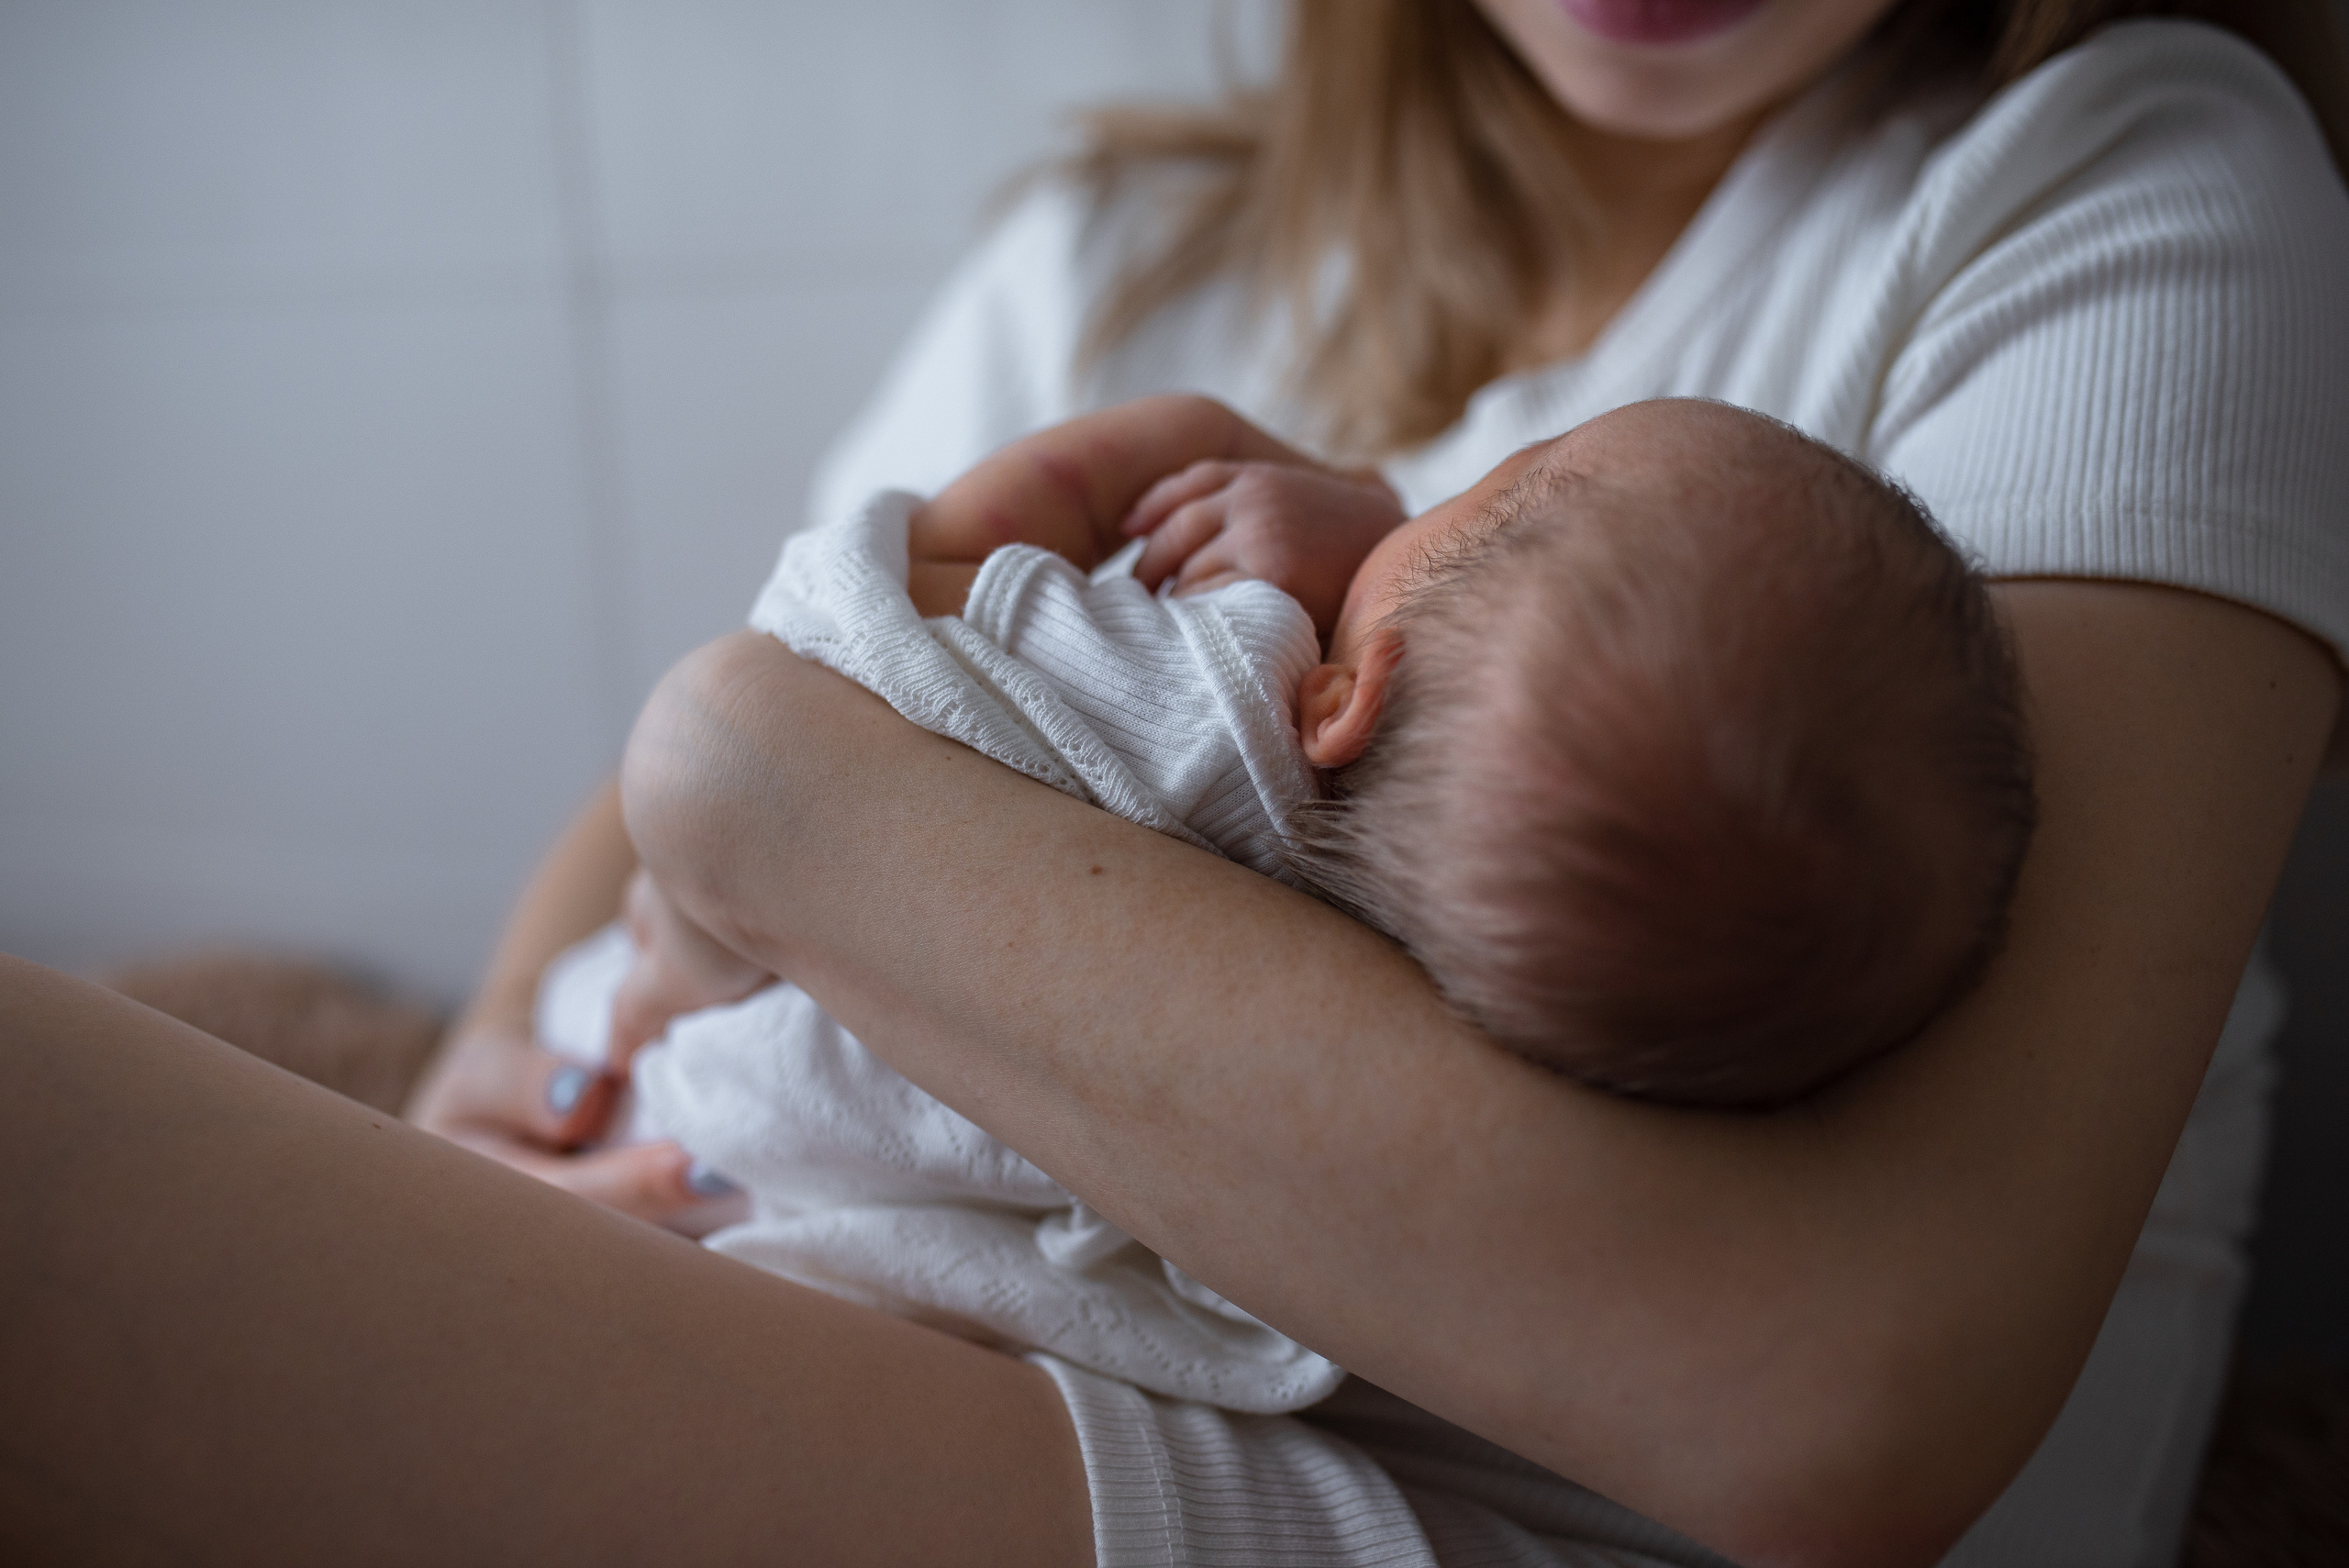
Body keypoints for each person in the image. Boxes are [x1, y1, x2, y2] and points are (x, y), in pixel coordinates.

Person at [4, 1, 2343, 1564]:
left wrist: (758, 796)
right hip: (860, 1270)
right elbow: (726, 712)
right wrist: (499, 1062)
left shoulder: (2113, 176)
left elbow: (1819, 1391)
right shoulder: (1123, 254)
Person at [553, 392, 2028, 1415]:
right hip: (876, 1258)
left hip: (692, 1052)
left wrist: (1181, 446)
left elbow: (827, 632)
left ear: (1339, 695)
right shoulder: (1453, 1001)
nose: (1430, 494)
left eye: (1487, 494)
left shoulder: (1200, 702)